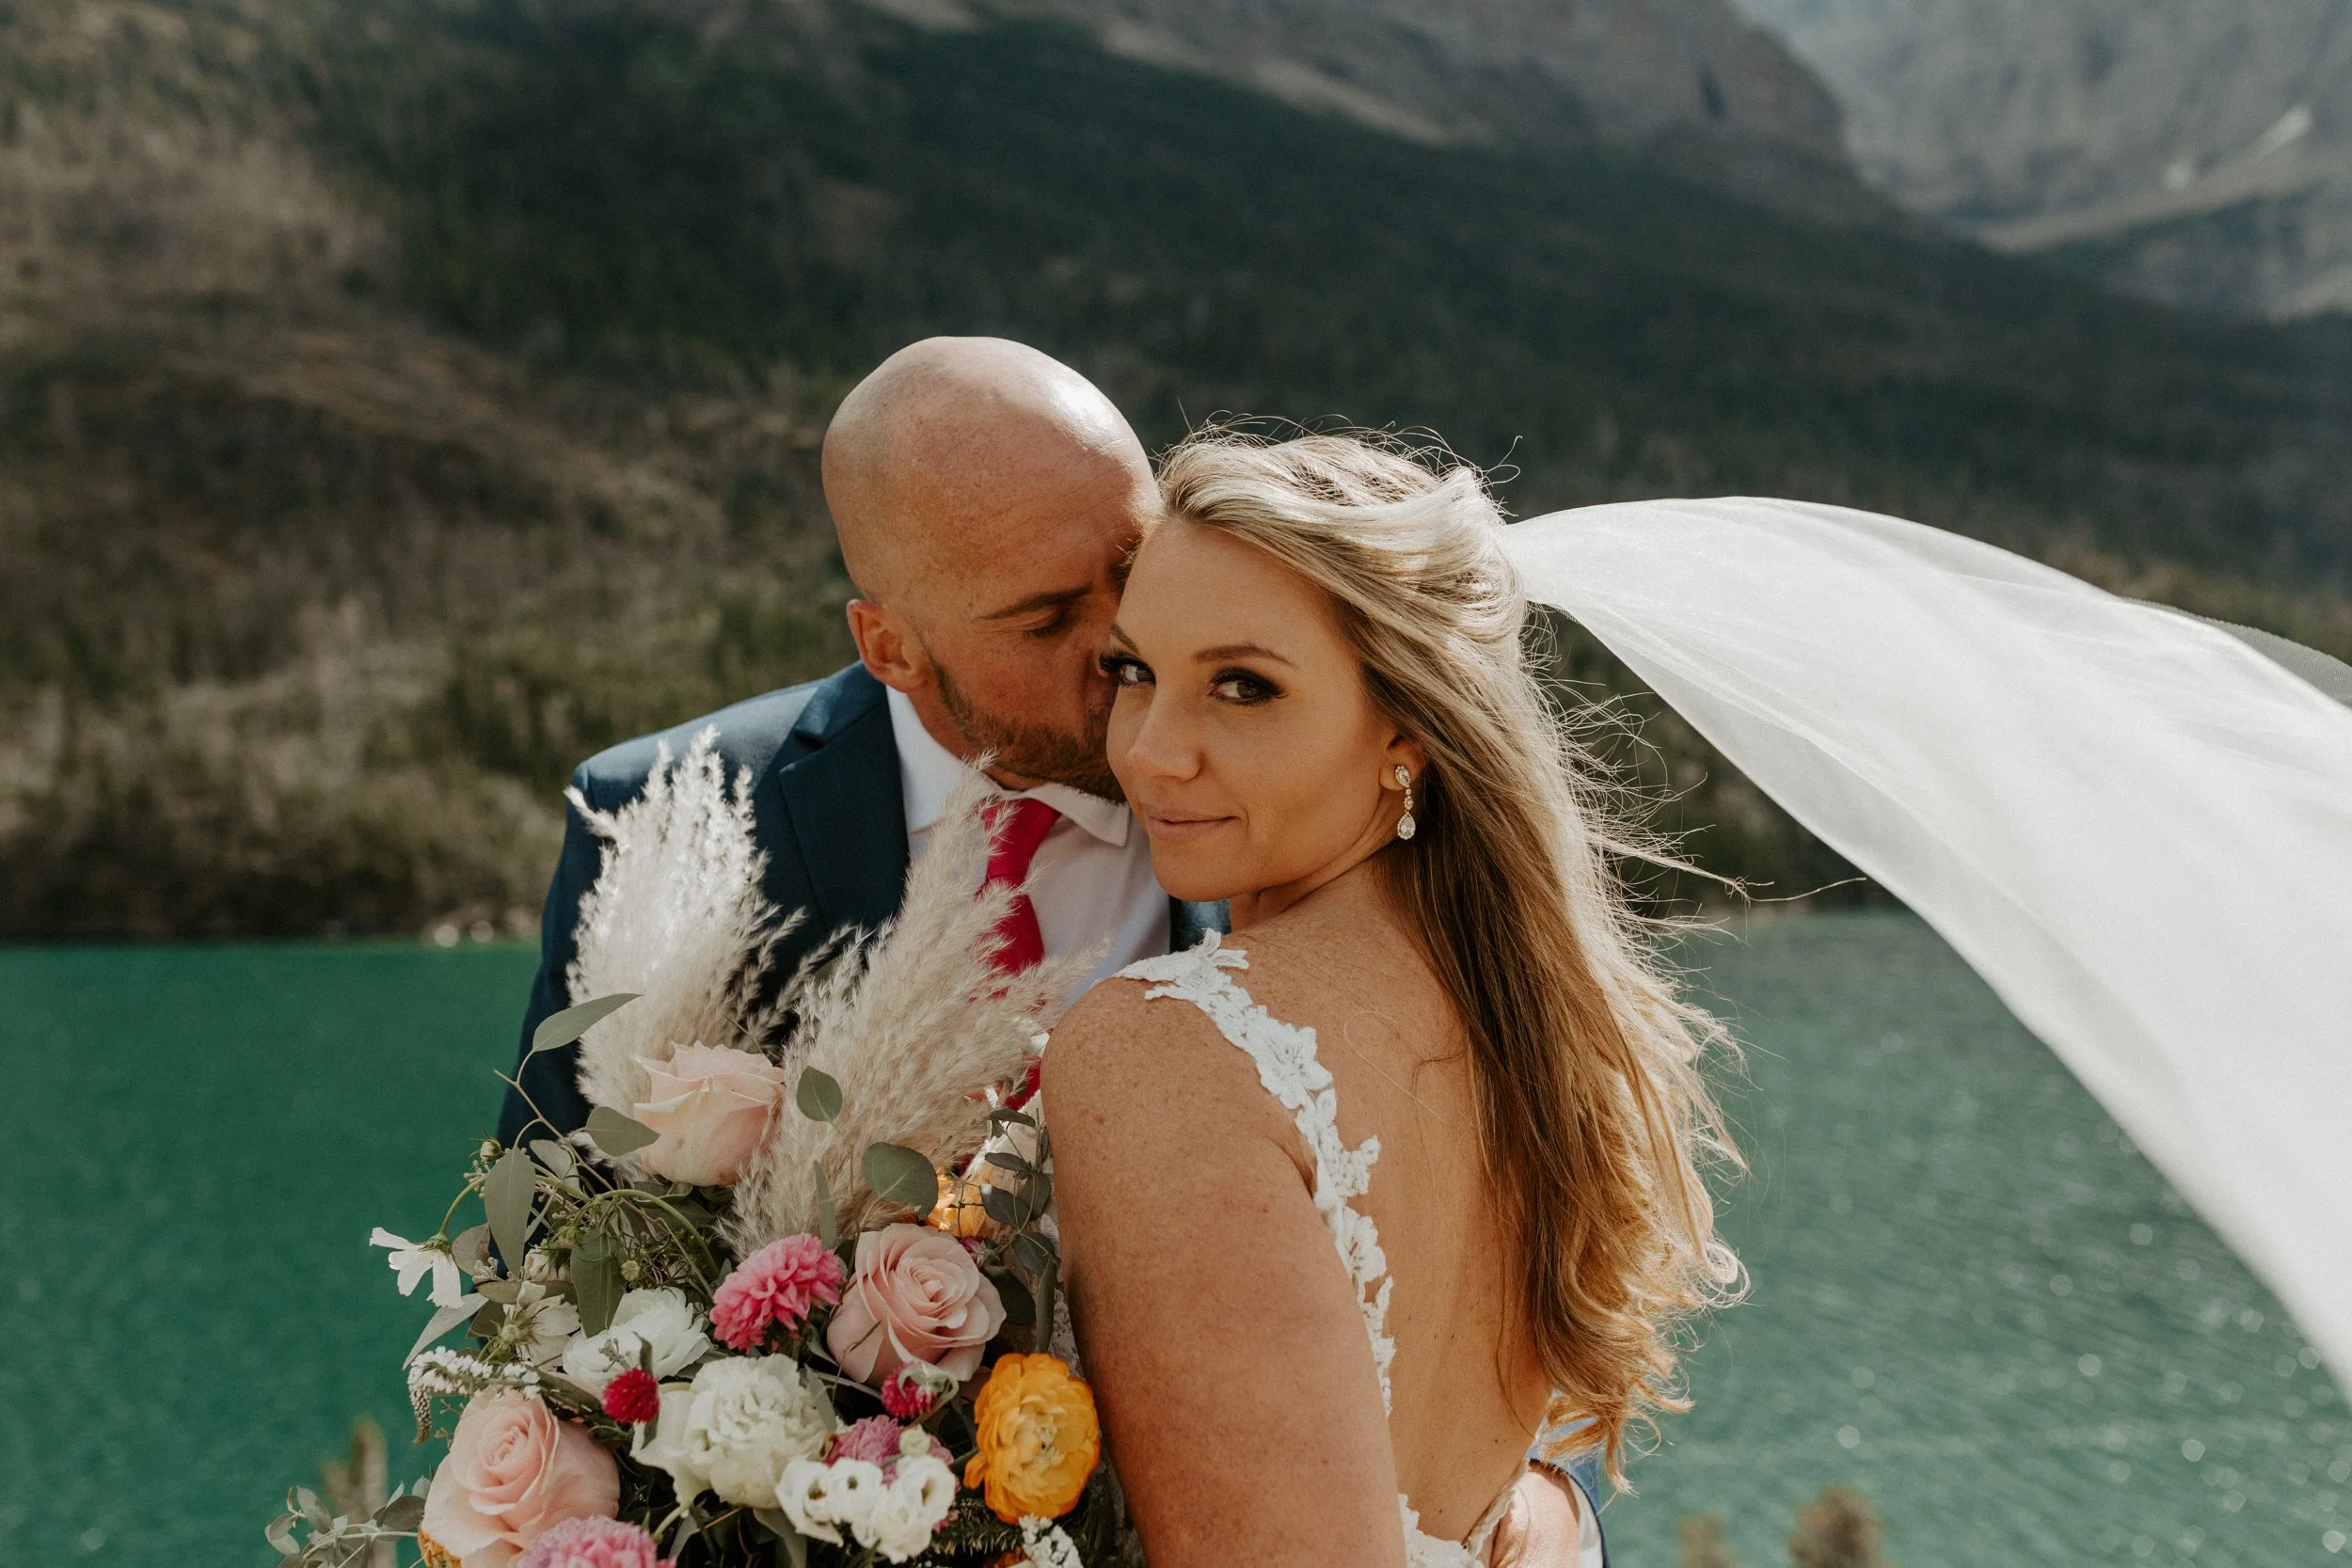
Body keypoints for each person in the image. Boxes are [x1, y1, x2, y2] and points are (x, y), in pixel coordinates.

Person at [1044, 432, 1740, 1566]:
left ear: (1406, 729)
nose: (1151, 750)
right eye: (1133, 671)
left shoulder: (1170, 1047)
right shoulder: (1528, 1022)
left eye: (1243, 686)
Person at [498, 336, 1222, 1147]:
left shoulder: (1282, 774)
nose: (1124, 639)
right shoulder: (655, 823)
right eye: (1047, 621)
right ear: (890, 648)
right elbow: (559, 1204)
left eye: (1132, 569)